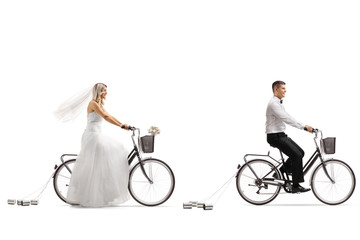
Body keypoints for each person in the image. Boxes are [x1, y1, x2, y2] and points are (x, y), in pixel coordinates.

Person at [55, 83, 133, 207]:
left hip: (96, 135)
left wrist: (125, 125)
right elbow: (106, 117)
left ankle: (104, 193)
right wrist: (122, 126)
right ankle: (89, 192)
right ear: (98, 92)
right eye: (104, 91)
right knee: (117, 150)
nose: (106, 93)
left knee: (101, 164)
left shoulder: (100, 104)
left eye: (106, 91)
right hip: (92, 136)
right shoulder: (93, 104)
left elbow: (110, 116)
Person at [265, 81, 312, 193]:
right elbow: (286, 118)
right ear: (276, 90)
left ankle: (279, 172)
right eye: (282, 88)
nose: (285, 90)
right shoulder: (273, 104)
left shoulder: (278, 103)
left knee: (300, 152)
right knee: (296, 156)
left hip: (280, 135)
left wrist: (304, 126)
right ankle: (295, 186)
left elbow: (287, 117)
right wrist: (304, 127)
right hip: (274, 136)